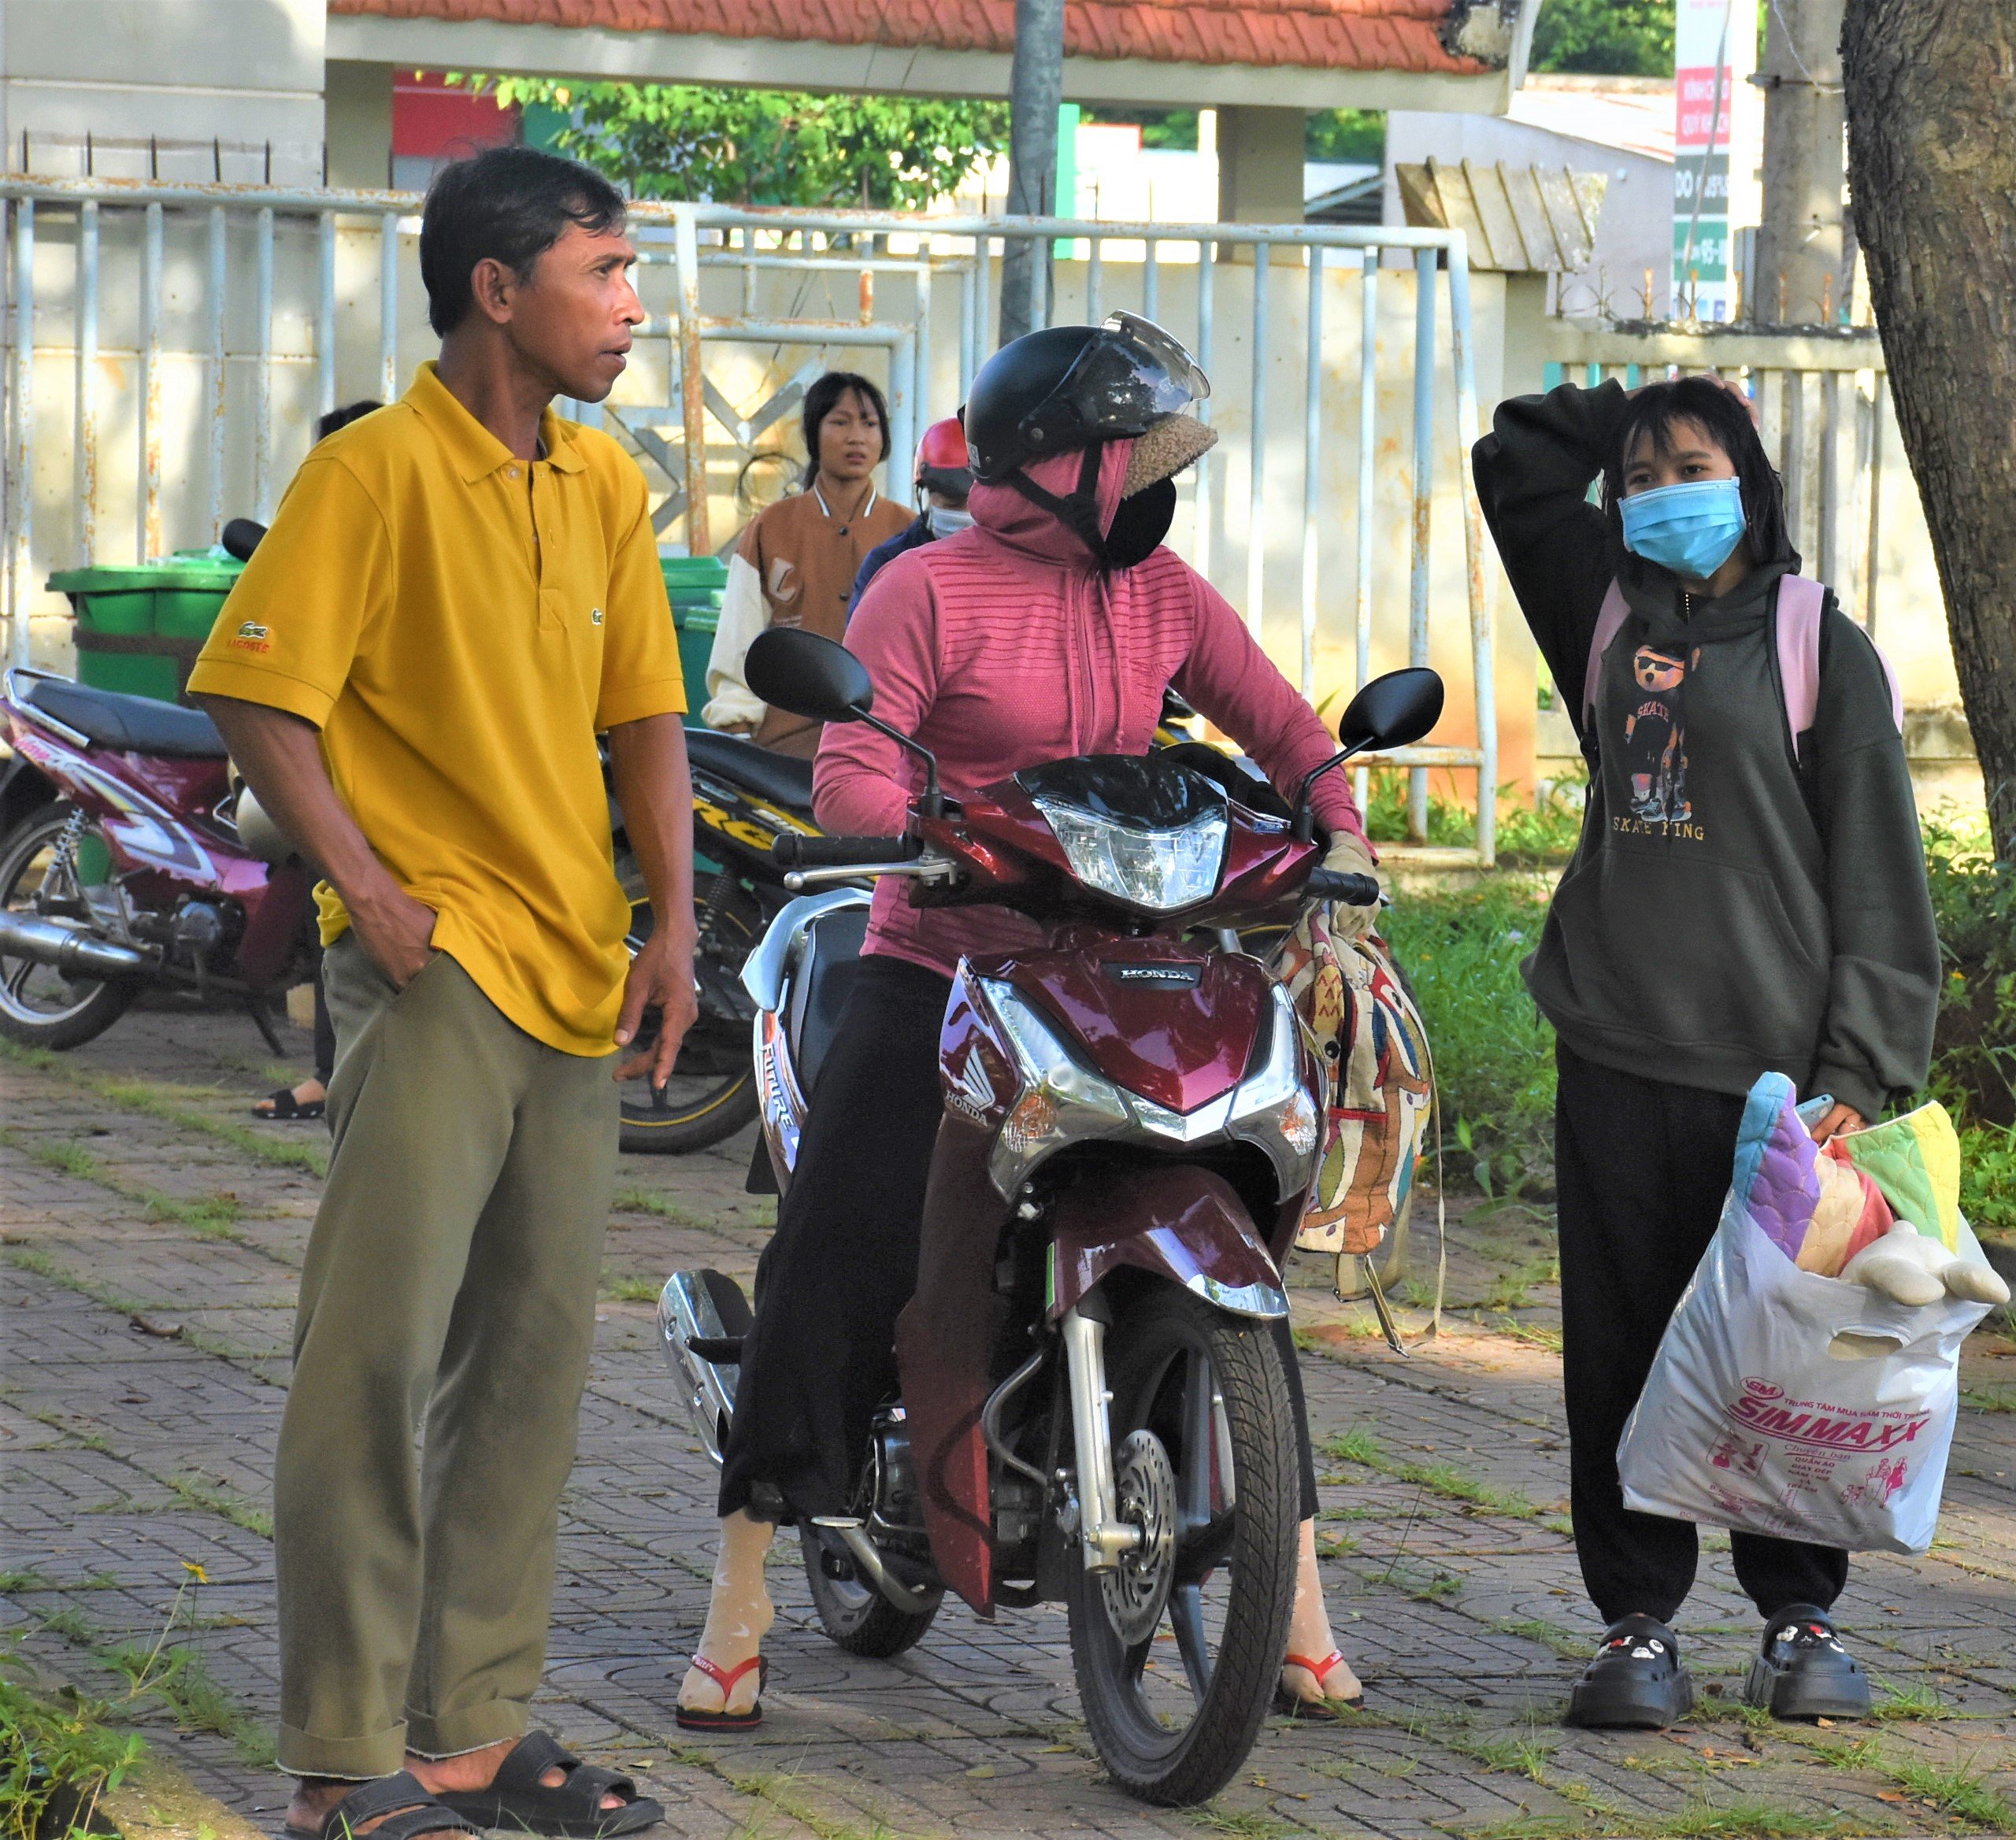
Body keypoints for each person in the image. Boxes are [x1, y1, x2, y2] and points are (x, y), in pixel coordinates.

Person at [673, 313, 1380, 1731]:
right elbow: (857, 761)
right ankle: (739, 1585)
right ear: (1059, 466)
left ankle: (1288, 1586)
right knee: (841, 1244)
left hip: (1114, 954)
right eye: (1136, 455)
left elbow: (1290, 731)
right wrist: (912, 825)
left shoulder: (1164, 592)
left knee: (1241, 1225)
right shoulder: (923, 588)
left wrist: (1342, 831)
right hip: (939, 959)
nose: (1155, 480)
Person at [191, 144, 696, 1840]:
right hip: (439, 968)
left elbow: (647, 723)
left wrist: (676, 927)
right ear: (499, 288)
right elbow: (260, 695)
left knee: (535, 1366)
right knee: (376, 1358)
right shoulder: (374, 472)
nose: (631, 305)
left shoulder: (605, 481)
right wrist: (368, 885)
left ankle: (471, 1734)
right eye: (604, 271)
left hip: (577, 970)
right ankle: (345, 1763)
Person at [1471, 375, 1940, 1731]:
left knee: (1789, 1353)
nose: (1668, 484)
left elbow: (1880, 874)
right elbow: (1514, 456)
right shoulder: (1605, 613)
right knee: (1620, 1353)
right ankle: (1635, 1625)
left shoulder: (1813, 644)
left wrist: (1860, 1065)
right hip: (1617, 1049)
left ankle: (1799, 1616)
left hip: (1782, 1086)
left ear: (1750, 475)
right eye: (1644, 468)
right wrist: (1632, 401)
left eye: (1696, 457)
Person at [254, 398, 382, 1125]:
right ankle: (327, 1076)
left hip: (367, 807)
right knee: (335, 920)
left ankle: (328, 1077)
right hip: (337, 790)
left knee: (339, 921)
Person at [701, 371, 914, 755]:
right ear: (814, 434)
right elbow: (739, 639)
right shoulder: (772, 526)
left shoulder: (907, 531)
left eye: (869, 424)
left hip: (886, 748)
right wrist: (738, 732)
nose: (856, 437)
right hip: (783, 749)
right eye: (840, 422)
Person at [846, 414, 973, 614]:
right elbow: (860, 640)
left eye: (977, 504)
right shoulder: (887, 563)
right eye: (954, 503)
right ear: (924, 493)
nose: (967, 513)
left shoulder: (1012, 561)